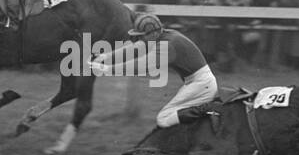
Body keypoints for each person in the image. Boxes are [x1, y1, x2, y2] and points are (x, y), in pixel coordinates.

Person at [89, 13, 218, 127]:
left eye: (141, 36)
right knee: (174, 117)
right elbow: (135, 49)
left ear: (155, 33)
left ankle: (211, 112)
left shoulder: (167, 45)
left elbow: (141, 65)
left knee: (163, 119)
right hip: (199, 83)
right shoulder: (162, 35)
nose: (140, 39)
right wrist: (106, 57)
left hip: (201, 85)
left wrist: (107, 69)